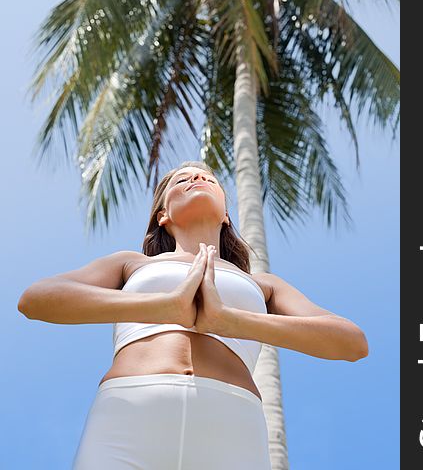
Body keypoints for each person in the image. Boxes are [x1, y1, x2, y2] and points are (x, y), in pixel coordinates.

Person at [17, 160, 369, 469]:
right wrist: (162, 307)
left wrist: (229, 321)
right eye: (181, 180)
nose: (196, 179)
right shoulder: (131, 264)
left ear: (226, 214)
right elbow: (36, 299)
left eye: (206, 178)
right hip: (127, 417)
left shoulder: (264, 285)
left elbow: (351, 342)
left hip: (232, 425)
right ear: (163, 215)